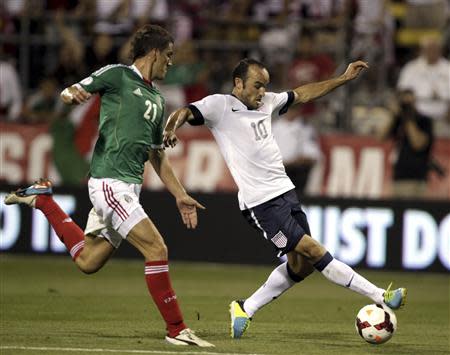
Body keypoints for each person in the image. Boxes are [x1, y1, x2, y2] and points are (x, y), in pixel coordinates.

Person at [163, 58, 407, 339]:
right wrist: (171, 128)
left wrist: (342, 79)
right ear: (238, 84)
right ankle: (381, 295)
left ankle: (246, 308)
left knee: (300, 266)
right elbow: (183, 111)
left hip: (285, 192)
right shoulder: (219, 106)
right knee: (315, 251)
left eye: (265, 85)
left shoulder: (266, 102)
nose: (262, 92)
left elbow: (303, 93)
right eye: (256, 85)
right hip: (260, 203)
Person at [4, 24, 214, 348]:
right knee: (157, 249)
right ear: (154, 52)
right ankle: (177, 329)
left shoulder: (158, 101)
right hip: (108, 183)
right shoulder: (118, 75)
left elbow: (156, 156)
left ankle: (43, 200)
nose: (171, 63)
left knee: (89, 262)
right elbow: (73, 89)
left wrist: (181, 194)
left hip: (128, 189)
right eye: (169, 56)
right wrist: (70, 95)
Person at [378, 89, 434, 198]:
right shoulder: (398, 120)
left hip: (416, 178)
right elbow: (381, 137)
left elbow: (417, 143)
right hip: (399, 176)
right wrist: (393, 116)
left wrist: (408, 117)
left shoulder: (423, 120)